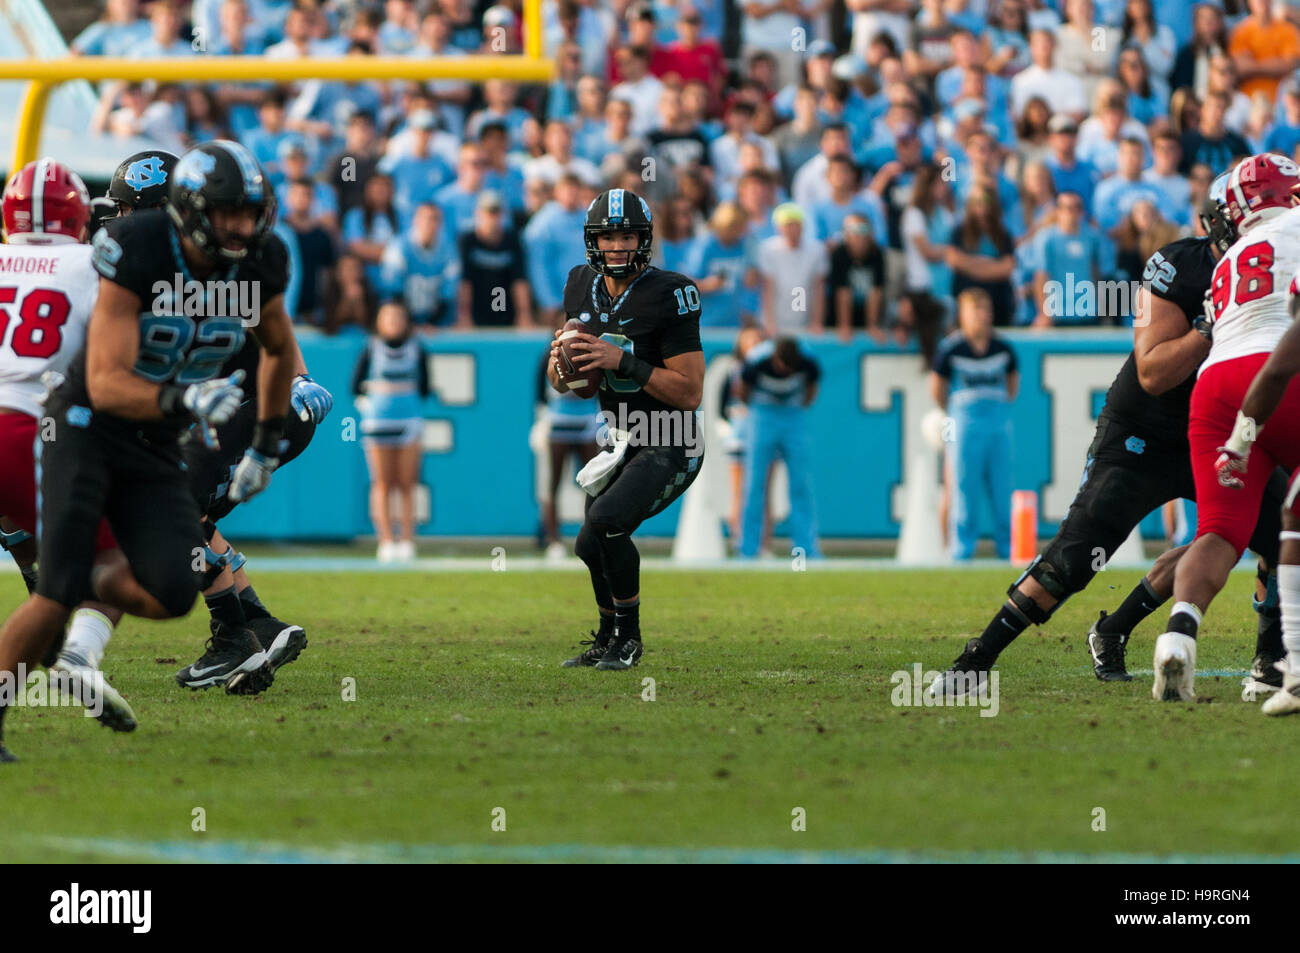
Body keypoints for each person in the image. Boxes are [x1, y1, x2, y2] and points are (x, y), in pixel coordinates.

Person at [929, 175, 1287, 697]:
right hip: (1146, 433)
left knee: (1277, 534)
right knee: (1078, 556)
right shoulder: (1180, 267)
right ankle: (974, 663)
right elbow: (1153, 372)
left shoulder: (1277, 266)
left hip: (1218, 432)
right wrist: (1207, 329)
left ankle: (1262, 660)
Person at [0, 141, 300, 761]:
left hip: (158, 442)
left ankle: (81, 571)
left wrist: (266, 444)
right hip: (86, 423)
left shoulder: (261, 261)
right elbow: (107, 380)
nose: (242, 227)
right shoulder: (135, 248)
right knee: (55, 592)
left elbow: (275, 345)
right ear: (189, 211)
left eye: (249, 212)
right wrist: (183, 402)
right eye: (227, 214)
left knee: (169, 590)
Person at [1152, 154, 1300, 702]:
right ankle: (1286, 659)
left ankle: (1179, 635)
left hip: (1216, 386)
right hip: (1284, 369)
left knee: (1218, 531)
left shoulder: (1227, 260)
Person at [547, 188, 705, 671]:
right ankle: (607, 638)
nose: (617, 245)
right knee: (588, 542)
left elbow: (690, 391)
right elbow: (566, 387)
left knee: (608, 522)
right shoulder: (580, 284)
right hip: (622, 439)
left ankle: (630, 640)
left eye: (627, 234)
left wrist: (624, 361)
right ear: (593, 241)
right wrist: (562, 364)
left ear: (645, 238)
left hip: (672, 437)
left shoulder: (671, 292)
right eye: (608, 235)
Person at [931, 289, 1019, 561]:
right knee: (962, 489)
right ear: (963, 315)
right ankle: (961, 551)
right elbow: (937, 389)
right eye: (976, 310)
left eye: (987, 310)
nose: (983, 317)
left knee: (1002, 489)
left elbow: (1012, 386)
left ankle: (1007, 550)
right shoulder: (951, 349)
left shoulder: (1003, 348)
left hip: (997, 424)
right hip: (963, 425)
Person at [353, 302, 430, 563]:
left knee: (407, 484)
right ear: (378, 322)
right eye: (388, 317)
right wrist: (369, 404)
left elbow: (425, 386)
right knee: (382, 483)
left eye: (398, 317)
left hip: (408, 424)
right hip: (377, 426)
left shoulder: (417, 349)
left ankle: (407, 540)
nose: (394, 322)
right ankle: (386, 541)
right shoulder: (371, 348)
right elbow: (355, 386)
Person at [736, 335, 822, 561]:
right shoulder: (757, 359)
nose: (785, 374)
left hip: (793, 416)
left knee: (800, 484)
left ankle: (806, 549)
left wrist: (798, 407)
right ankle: (748, 550)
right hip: (762, 415)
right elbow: (742, 389)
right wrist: (755, 410)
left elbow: (812, 388)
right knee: (754, 483)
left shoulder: (808, 360)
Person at [536, 327, 601, 560]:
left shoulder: (593, 350)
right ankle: (553, 540)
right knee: (553, 481)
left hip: (587, 420)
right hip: (559, 421)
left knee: (595, 481)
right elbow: (541, 392)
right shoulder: (550, 354)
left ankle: (595, 536)